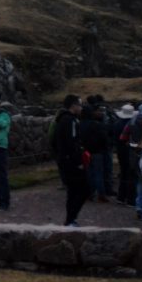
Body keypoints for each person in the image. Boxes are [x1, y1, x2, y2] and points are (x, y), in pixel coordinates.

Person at [55, 94, 87, 227]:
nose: (81, 108)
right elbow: (72, 142)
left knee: (74, 191)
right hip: (71, 162)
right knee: (82, 189)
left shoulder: (62, 119)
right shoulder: (70, 121)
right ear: (73, 105)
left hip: (64, 160)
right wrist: (78, 161)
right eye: (80, 105)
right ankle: (70, 219)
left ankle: (71, 219)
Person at [82, 104, 111, 202]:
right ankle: (101, 194)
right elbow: (103, 138)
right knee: (99, 173)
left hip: (85, 151)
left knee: (89, 173)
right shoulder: (96, 124)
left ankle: (89, 193)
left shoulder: (79, 124)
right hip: (97, 152)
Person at [113, 104, 137, 205]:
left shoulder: (117, 123)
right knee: (131, 174)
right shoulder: (132, 124)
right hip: (129, 151)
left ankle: (121, 196)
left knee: (123, 172)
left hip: (120, 150)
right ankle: (130, 198)